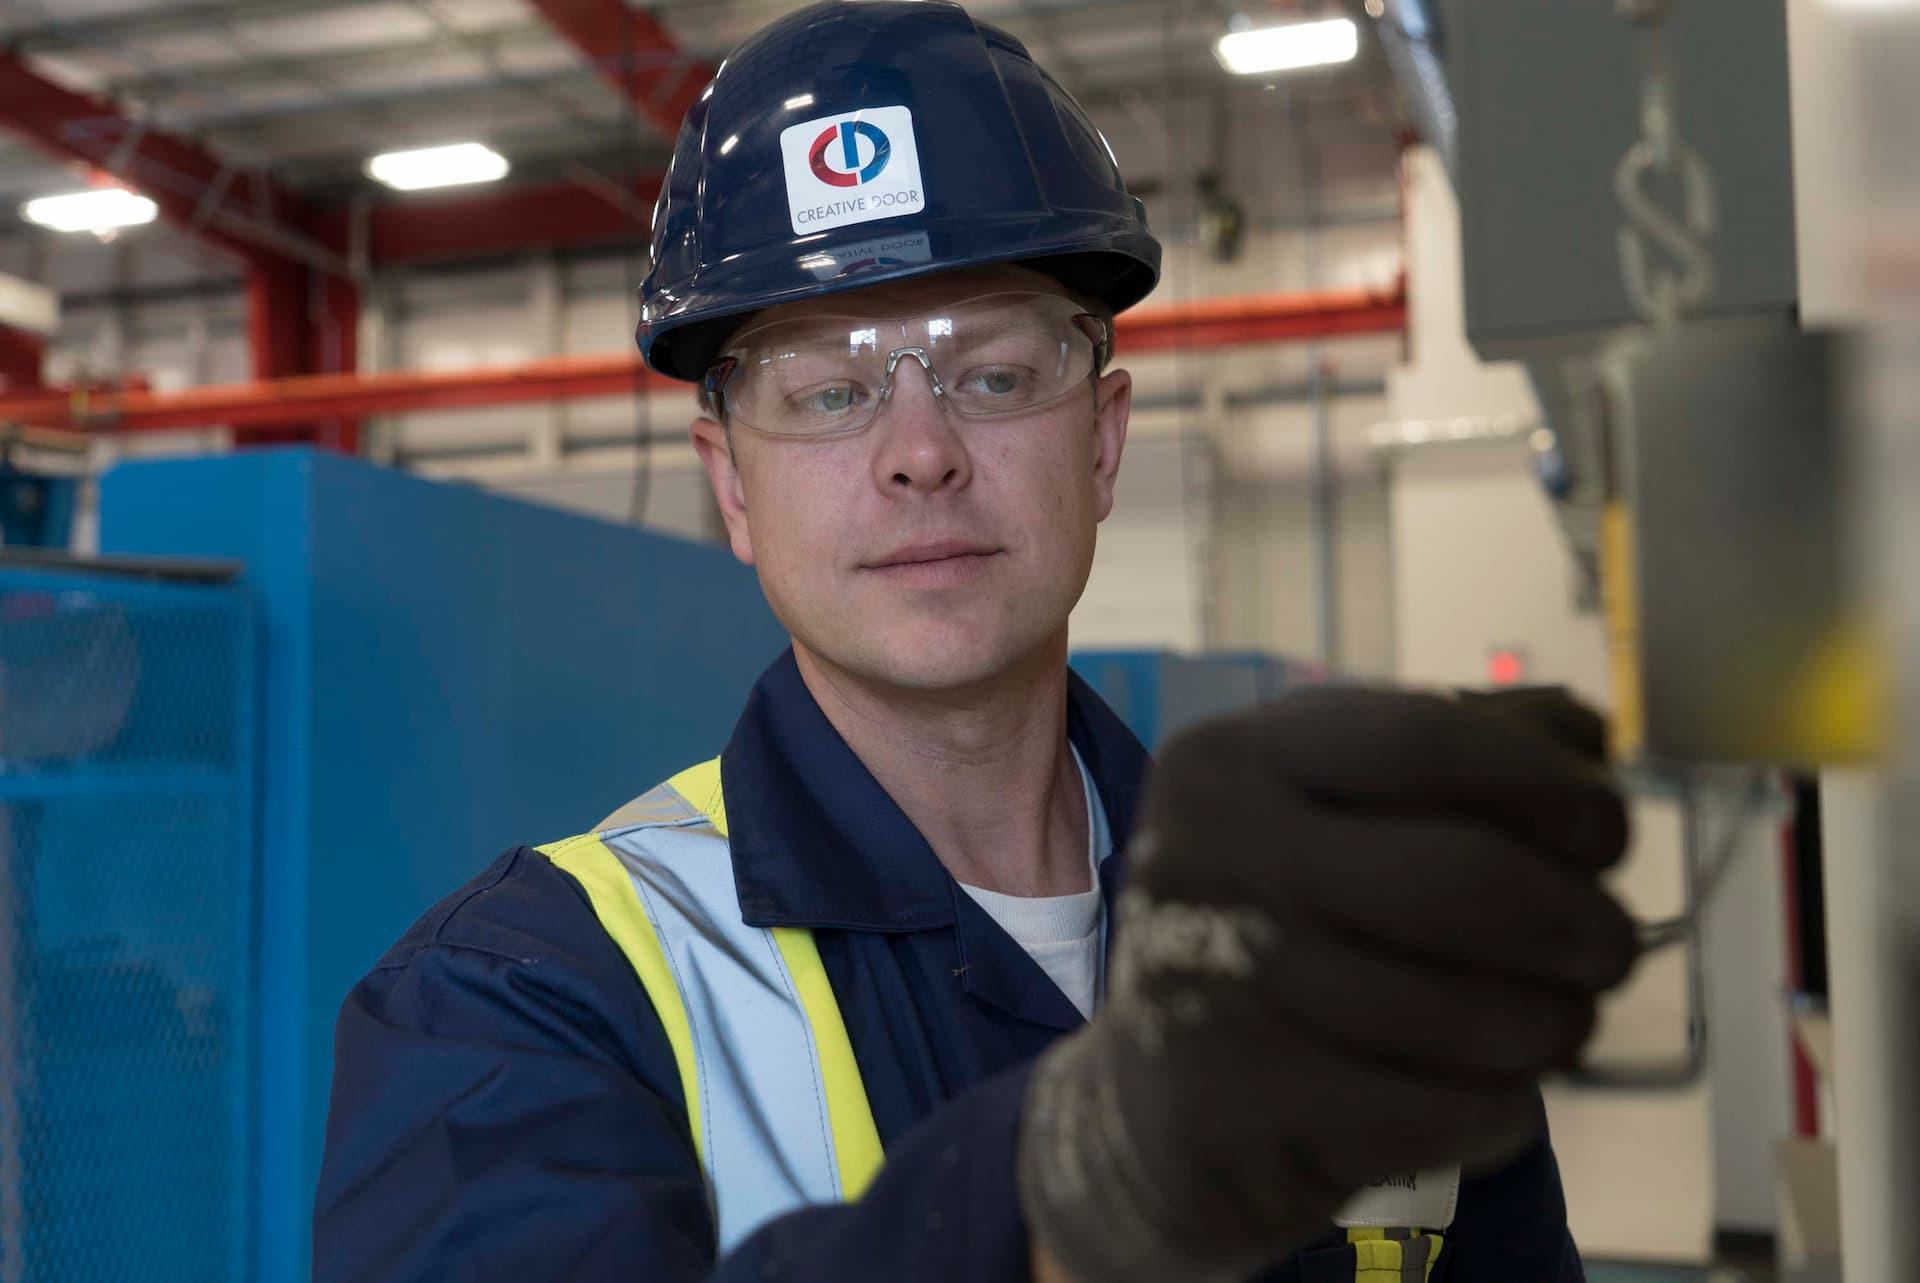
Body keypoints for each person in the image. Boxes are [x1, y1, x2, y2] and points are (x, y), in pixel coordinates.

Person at [313, 4, 1638, 1280]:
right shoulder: (521, 1000)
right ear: (731, 487)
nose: (920, 455)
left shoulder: (1336, 933)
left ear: (1103, 441)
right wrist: (1103, 1180)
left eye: (993, 376)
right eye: (831, 392)